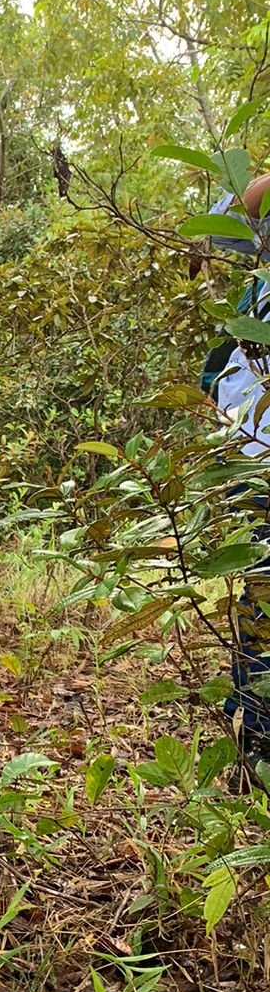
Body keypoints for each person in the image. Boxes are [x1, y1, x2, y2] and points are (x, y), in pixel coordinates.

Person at [206, 178, 270, 766]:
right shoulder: (262, 272)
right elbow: (221, 225)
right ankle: (256, 738)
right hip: (258, 452)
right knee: (264, 598)